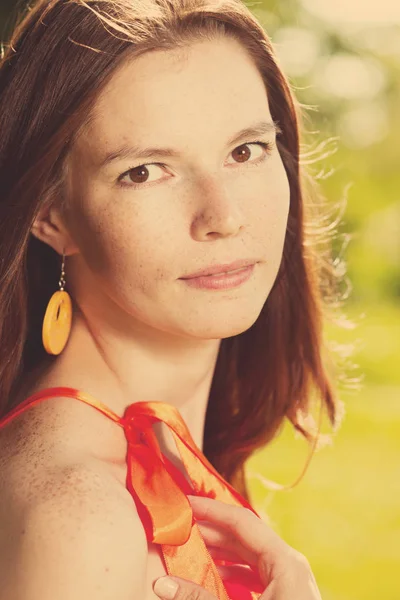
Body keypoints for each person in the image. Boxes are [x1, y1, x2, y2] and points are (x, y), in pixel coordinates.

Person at [0, 0, 346, 598]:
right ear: (51, 215)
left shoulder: (149, 455)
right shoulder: (81, 517)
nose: (224, 216)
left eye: (246, 151)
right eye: (146, 171)